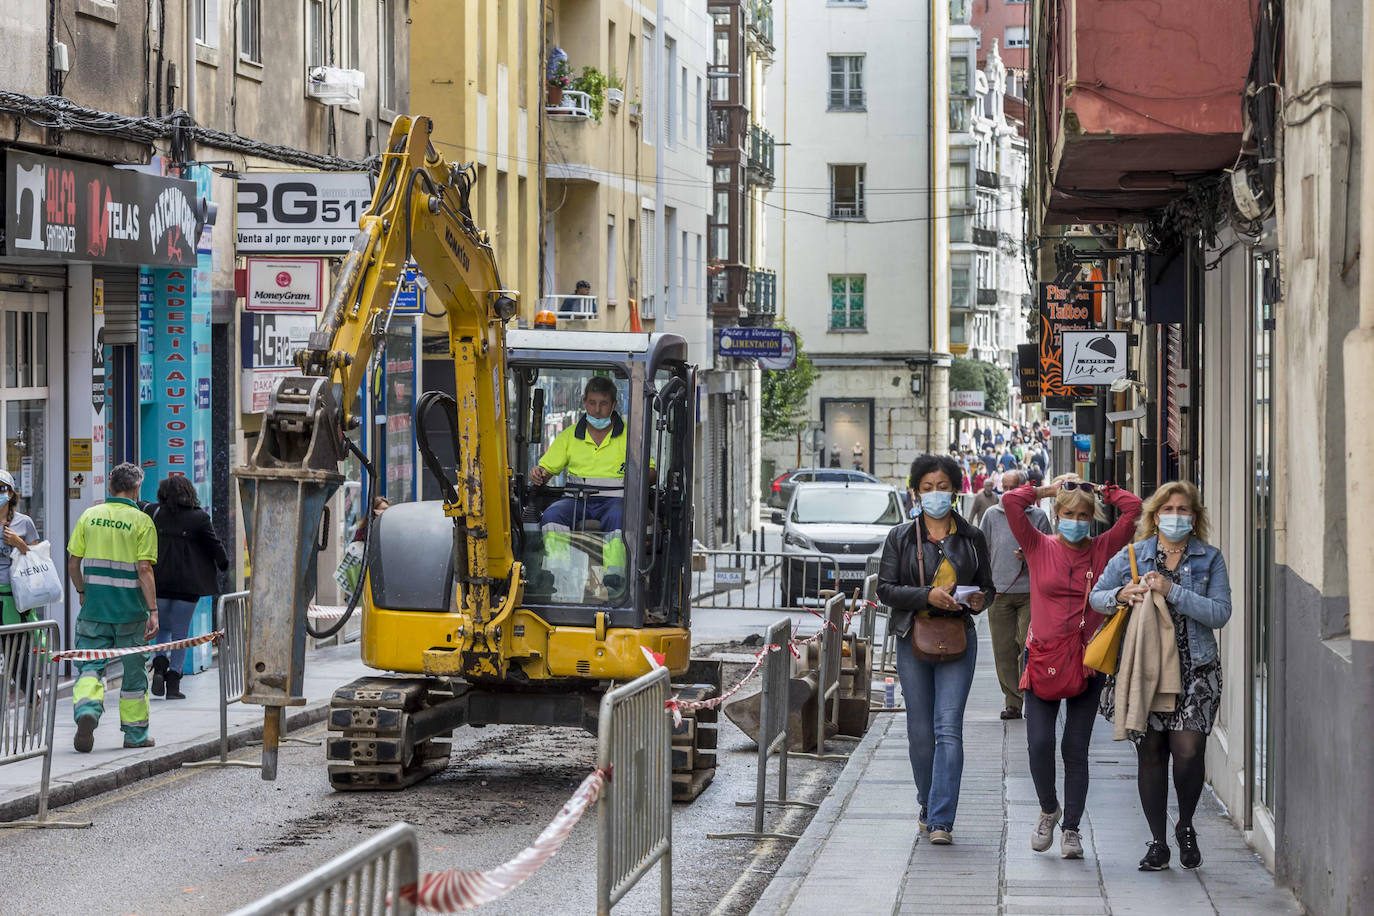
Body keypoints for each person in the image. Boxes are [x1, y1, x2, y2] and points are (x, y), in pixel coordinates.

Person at [1091, 481, 1231, 872]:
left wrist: (1172, 591)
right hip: (1144, 671)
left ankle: (1185, 824)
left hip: (1196, 671)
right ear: (1154, 516)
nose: (1175, 516)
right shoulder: (1133, 555)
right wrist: (1122, 594)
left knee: (1188, 753)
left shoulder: (1210, 559)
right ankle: (1157, 842)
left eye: (1183, 510)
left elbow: (1220, 612)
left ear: (1195, 517)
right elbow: (1097, 597)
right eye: (1168, 509)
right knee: (1151, 754)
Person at [1002, 475, 1142, 859]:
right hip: (1043, 658)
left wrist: (1099, 489)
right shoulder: (1037, 544)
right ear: (1057, 514)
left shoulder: (1103, 548)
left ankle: (1072, 830)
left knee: (1075, 747)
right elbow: (1011, 501)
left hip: (1088, 663)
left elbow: (1134, 510)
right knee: (1039, 744)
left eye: (1082, 515)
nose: (1075, 520)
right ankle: (1049, 809)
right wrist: (1050, 489)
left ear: (1091, 518)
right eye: (1068, 513)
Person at [877, 454, 995, 846]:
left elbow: (988, 587)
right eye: (927, 488)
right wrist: (928, 595)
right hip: (913, 636)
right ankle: (927, 803)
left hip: (959, 637)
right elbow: (886, 589)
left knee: (948, 728)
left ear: (956, 491)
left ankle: (942, 819)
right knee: (920, 731)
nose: (935, 494)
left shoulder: (972, 538)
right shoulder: (899, 537)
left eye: (942, 487)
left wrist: (979, 601)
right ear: (915, 493)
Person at [67, 462, 160, 751]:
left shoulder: (90, 516)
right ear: (136, 489)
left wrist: (82, 591)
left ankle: (87, 711)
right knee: (134, 674)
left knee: (90, 667)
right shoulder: (142, 521)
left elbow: (73, 563)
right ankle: (135, 735)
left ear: (110, 487)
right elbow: (144, 569)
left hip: (94, 610)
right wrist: (153, 610)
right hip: (130, 613)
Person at [529, 377, 632, 592]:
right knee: (552, 515)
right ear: (584, 402)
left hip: (614, 501)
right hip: (576, 500)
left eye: (603, 404)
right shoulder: (569, 435)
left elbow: (649, 472)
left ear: (614, 405)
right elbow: (547, 471)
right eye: (592, 403)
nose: (597, 410)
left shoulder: (629, 437)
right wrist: (539, 474)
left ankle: (614, 574)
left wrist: (643, 472)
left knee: (620, 517)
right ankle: (558, 569)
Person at [145, 475, 229, 700]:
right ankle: (173, 682)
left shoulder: (154, 513)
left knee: (161, 628)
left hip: (159, 581)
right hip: (187, 586)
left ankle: (160, 664)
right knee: (181, 633)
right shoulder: (199, 518)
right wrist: (223, 564)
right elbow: (214, 545)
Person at [979, 469, 1051, 720]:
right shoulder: (991, 515)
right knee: (1003, 649)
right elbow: (982, 551)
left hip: (1031, 592)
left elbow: (1050, 553)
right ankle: (1012, 701)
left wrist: (1030, 555)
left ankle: (1031, 694)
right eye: (1005, 488)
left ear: (1026, 489)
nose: (1009, 493)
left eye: (1014, 488)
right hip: (999, 594)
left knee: (1027, 645)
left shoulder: (1039, 516)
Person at [0, 469, 43, 694]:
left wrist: (19, 543)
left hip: (13, 599)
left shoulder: (23, 523)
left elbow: (39, 559)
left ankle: (32, 699)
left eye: (2, 488)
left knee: (16, 656)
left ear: (11, 494)